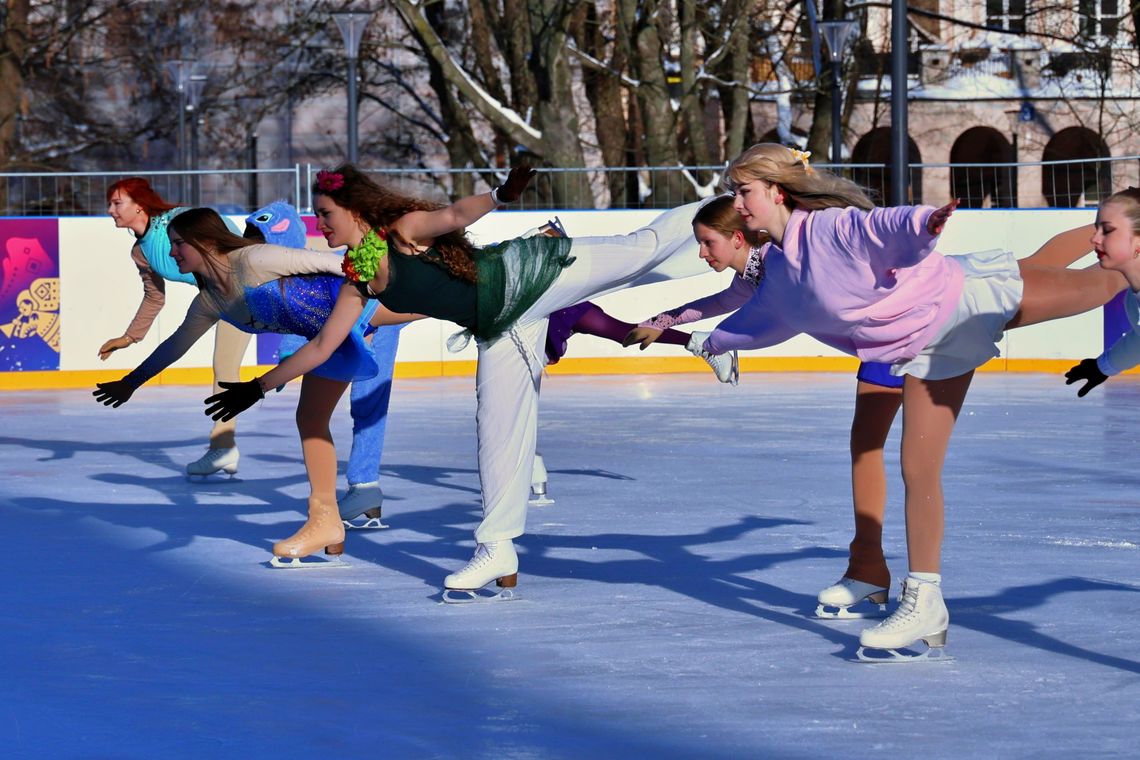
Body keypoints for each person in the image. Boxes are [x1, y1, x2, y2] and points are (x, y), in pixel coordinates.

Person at [688, 143, 1125, 660]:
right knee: (910, 459)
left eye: (744, 192)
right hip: (923, 330)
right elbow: (763, 320)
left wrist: (923, 223)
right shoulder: (783, 265)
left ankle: (922, 600)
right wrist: (703, 338)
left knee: (1105, 279)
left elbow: (879, 227)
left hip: (954, 313)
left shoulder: (826, 229)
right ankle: (904, 589)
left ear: (777, 192)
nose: (737, 204)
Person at [203, 163, 711, 600]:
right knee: (496, 431)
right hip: (501, 326)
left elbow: (454, 216)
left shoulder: (402, 231)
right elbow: (321, 346)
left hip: (530, 275)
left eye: (326, 214)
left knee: (639, 250)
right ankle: (497, 549)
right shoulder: (357, 279)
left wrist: (501, 194)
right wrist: (256, 387)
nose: (321, 224)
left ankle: (728, 202)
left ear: (355, 212)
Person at [91, 207, 410, 567]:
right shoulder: (210, 300)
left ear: (206, 241)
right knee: (310, 419)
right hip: (326, 336)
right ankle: (326, 521)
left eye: (179, 243)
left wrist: (398, 284)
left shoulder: (254, 259)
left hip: (362, 306)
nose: (172, 252)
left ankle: (465, 298)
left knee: (445, 303)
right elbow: (175, 346)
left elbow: (336, 265)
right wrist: (130, 383)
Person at [245, 201, 405, 529]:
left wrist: (286, 362)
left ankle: (364, 486)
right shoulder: (279, 274)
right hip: (362, 316)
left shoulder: (307, 273)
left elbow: (311, 322)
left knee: (366, 401)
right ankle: (363, 489)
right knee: (340, 408)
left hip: (374, 315)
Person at [102, 178, 252, 478]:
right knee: (221, 365)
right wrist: (129, 337)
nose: (110, 210)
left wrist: (243, 273)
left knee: (224, 365)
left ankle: (223, 446)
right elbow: (154, 296)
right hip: (212, 298)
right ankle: (224, 446)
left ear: (139, 205)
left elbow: (225, 231)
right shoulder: (140, 252)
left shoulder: (179, 220)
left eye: (117, 203)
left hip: (242, 290)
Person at [1065, 188, 1140, 397]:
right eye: (1096, 229)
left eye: (1107, 230)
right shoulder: (1132, 301)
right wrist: (1102, 366)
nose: (1095, 239)